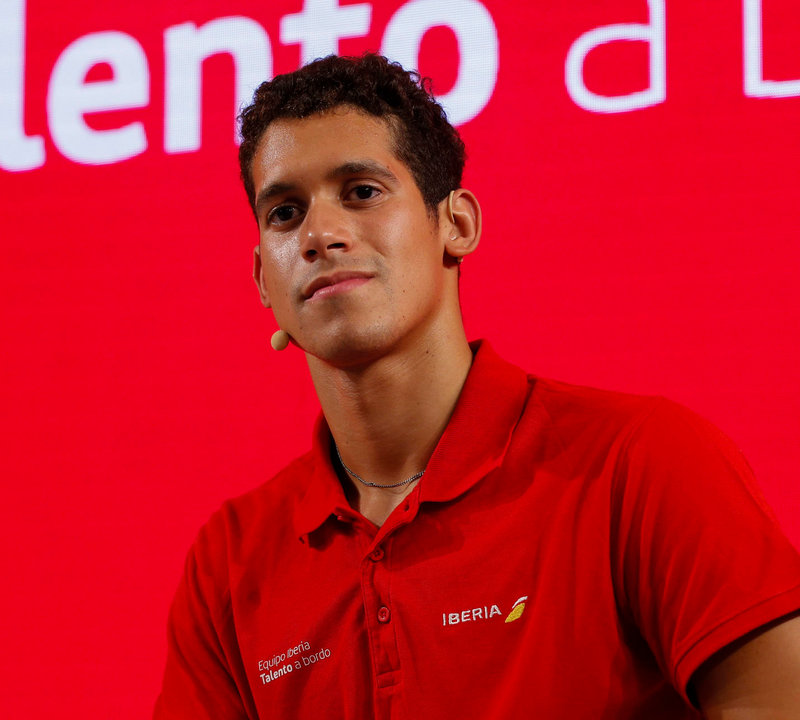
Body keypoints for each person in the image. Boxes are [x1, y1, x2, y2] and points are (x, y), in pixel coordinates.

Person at [154, 53, 800, 719]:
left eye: (363, 192)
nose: (320, 233)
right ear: (264, 279)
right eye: (285, 212)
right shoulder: (228, 562)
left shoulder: (640, 460)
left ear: (456, 224)